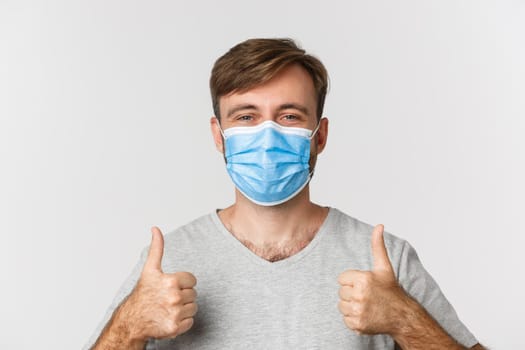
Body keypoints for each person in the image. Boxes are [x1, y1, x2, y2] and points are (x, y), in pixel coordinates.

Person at [85, 38, 485, 350]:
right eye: (246, 116)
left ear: (320, 135)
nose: (267, 133)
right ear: (218, 136)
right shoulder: (167, 263)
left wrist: (405, 320)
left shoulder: (386, 261)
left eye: (289, 115)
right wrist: (130, 327)